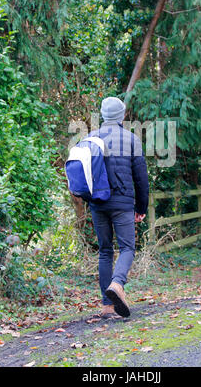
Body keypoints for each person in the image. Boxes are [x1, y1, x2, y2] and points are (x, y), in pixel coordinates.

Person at [89, 97, 149, 318]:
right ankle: (117, 284)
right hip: (122, 202)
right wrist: (141, 207)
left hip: (97, 203)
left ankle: (107, 306)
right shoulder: (131, 139)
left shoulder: (89, 139)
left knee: (105, 252)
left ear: (103, 115)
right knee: (127, 248)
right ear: (122, 116)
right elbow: (141, 178)